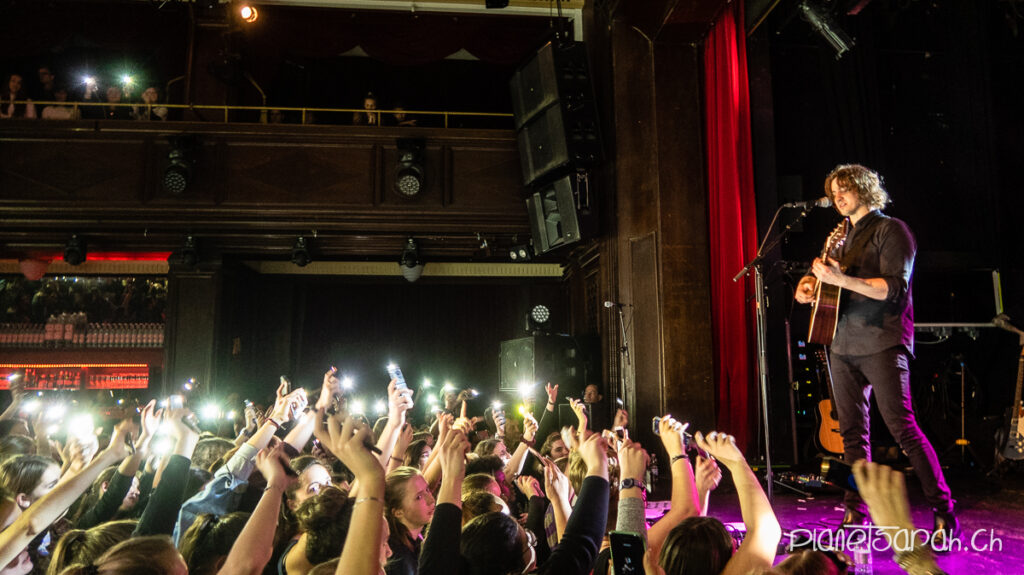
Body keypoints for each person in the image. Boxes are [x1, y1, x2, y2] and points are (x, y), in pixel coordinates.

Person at [794, 164, 957, 544]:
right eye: (834, 191)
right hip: (841, 344)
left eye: (845, 188)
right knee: (851, 435)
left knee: (903, 429)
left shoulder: (891, 230)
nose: (838, 196)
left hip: (882, 342)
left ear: (865, 189)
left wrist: (841, 280)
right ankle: (855, 512)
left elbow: (894, 289)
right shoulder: (838, 237)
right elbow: (824, 284)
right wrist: (808, 286)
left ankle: (944, 510)